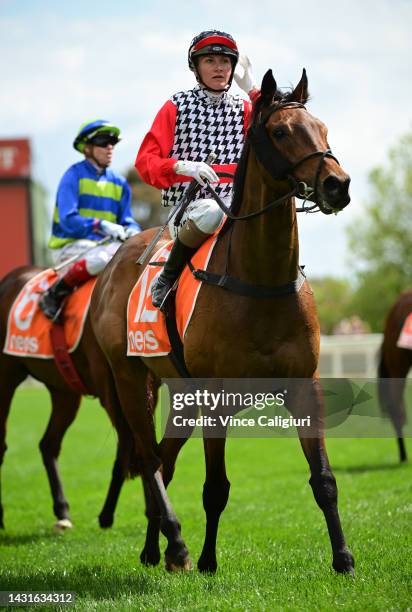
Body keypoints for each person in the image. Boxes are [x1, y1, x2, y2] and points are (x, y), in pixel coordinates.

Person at [135, 30, 258, 308]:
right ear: (196, 67)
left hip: (238, 207)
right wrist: (183, 166)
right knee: (212, 212)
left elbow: (282, 127)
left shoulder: (245, 108)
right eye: (210, 61)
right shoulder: (176, 106)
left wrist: (252, 88)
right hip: (192, 209)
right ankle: (167, 277)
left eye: (226, 62)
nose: (219, 68)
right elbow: (145, 163)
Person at [39, 119, 141, 321]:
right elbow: (68, 220)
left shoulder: (119, 182)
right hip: (71, 247)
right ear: (87, 148)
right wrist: (100, 224)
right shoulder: (73, 175)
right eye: (104, 141)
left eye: (113, 142)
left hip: (106, 246)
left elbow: (127, 219)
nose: (109, 147)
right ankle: (54, 294)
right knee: (103, 259)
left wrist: (132, 229)